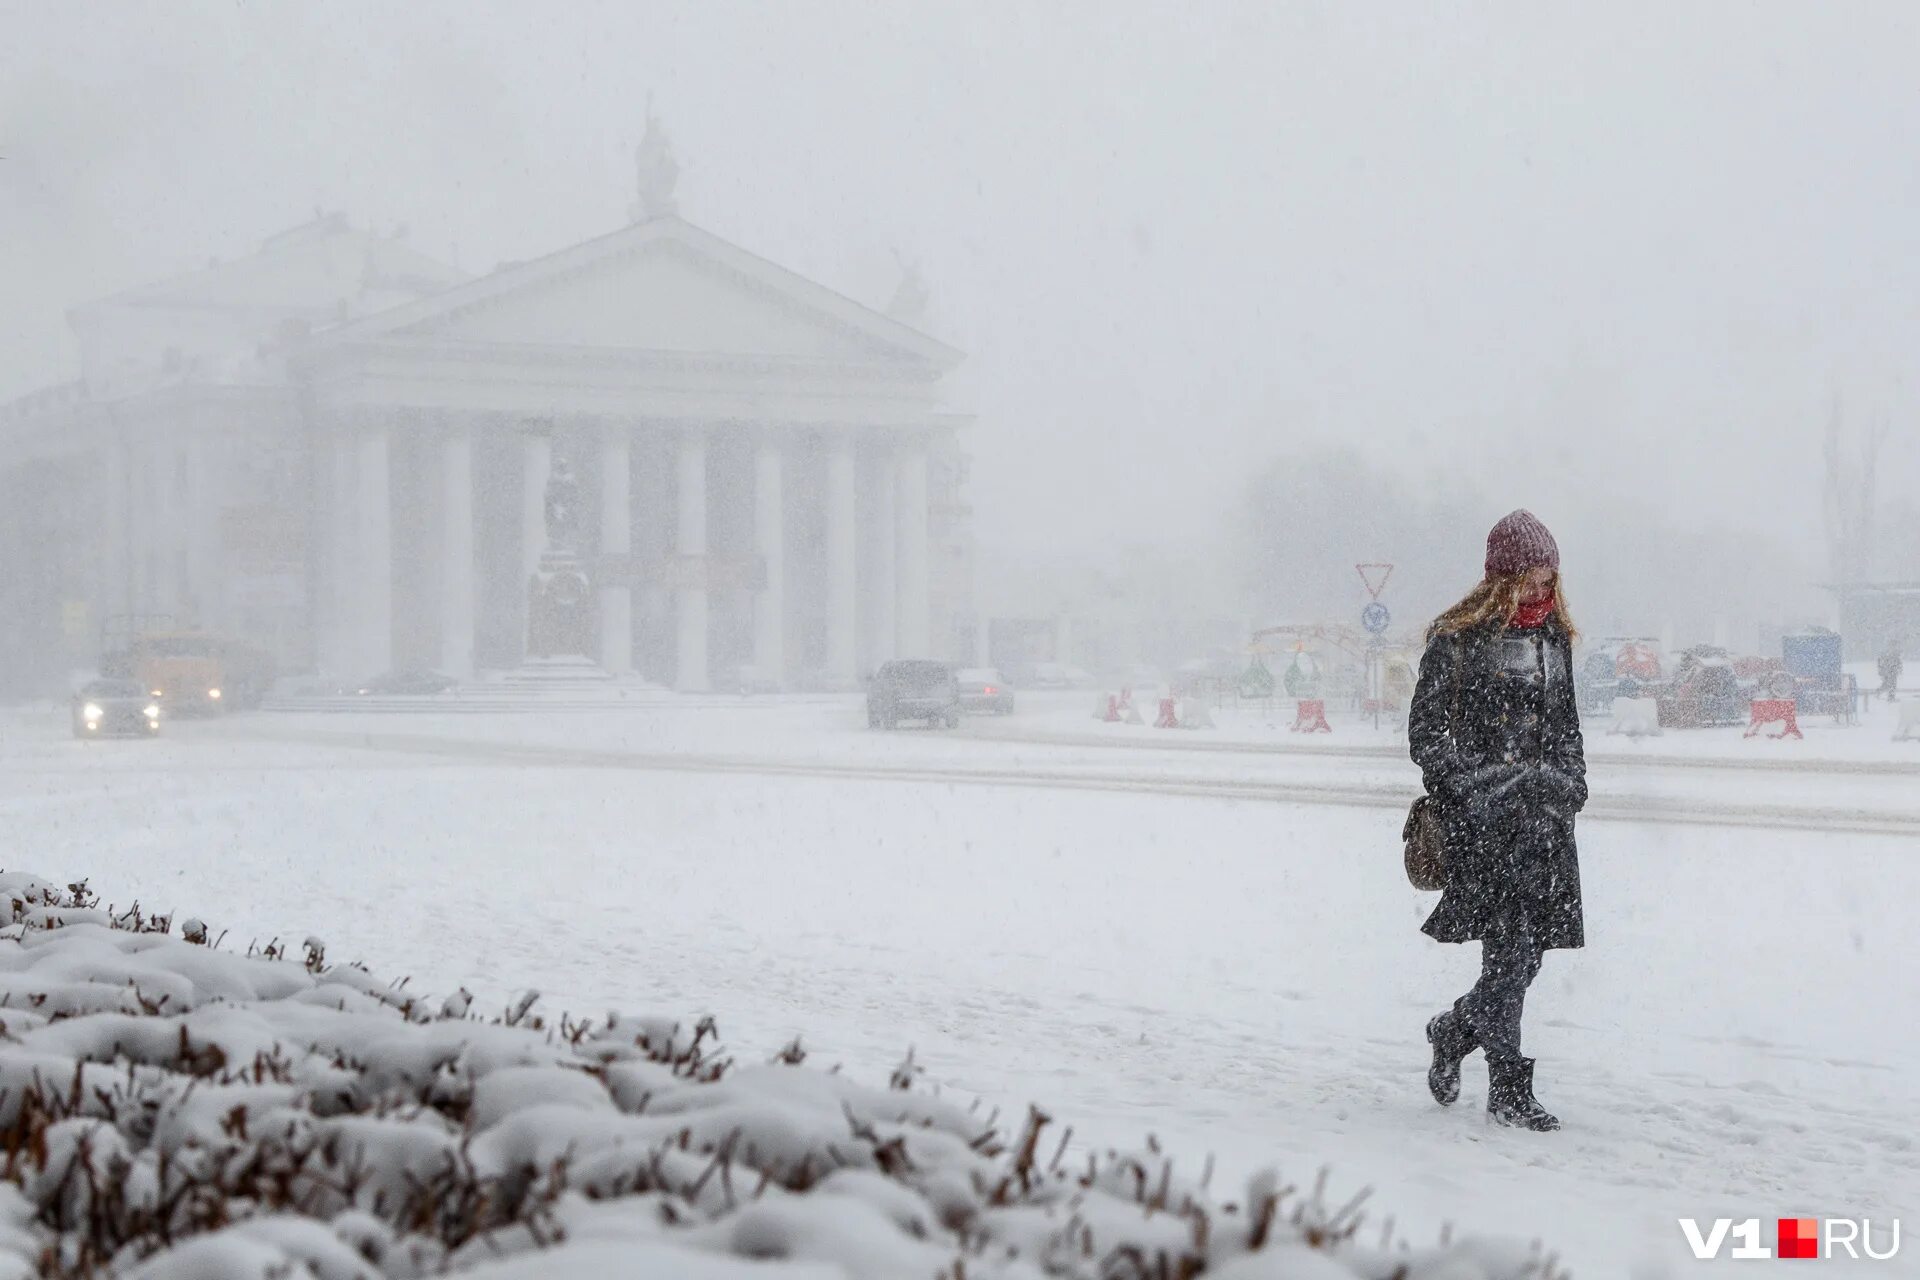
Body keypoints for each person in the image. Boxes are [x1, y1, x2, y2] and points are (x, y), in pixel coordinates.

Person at [1409, 510, 1586, 1132]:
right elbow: (1427, 734)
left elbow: (1566, 728)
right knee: (1507, 959)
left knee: (1527, 957)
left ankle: (1453, 1030)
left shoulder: (1554, 639)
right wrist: (1471, 791)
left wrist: (1572, 786)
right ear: (1503, 578)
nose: (1542, 593)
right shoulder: (1456, 638)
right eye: (1533, 580)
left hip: (1545, 823)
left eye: (1550, 581)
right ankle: (1509, 1091)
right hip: (1483, 826)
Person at [1880, 638, 1904, 703]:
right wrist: (1883, 671)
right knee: (1888, 684)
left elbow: (1898, 661)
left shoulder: (1894, 652)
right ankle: (1886, 696)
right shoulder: (1889, 652)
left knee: (1892, 684)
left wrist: (1899, 668)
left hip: (1892, 671)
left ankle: (1891, 697)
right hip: (1889, 671)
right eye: (1894, 644)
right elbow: (1883, 662)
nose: (1895, 646)